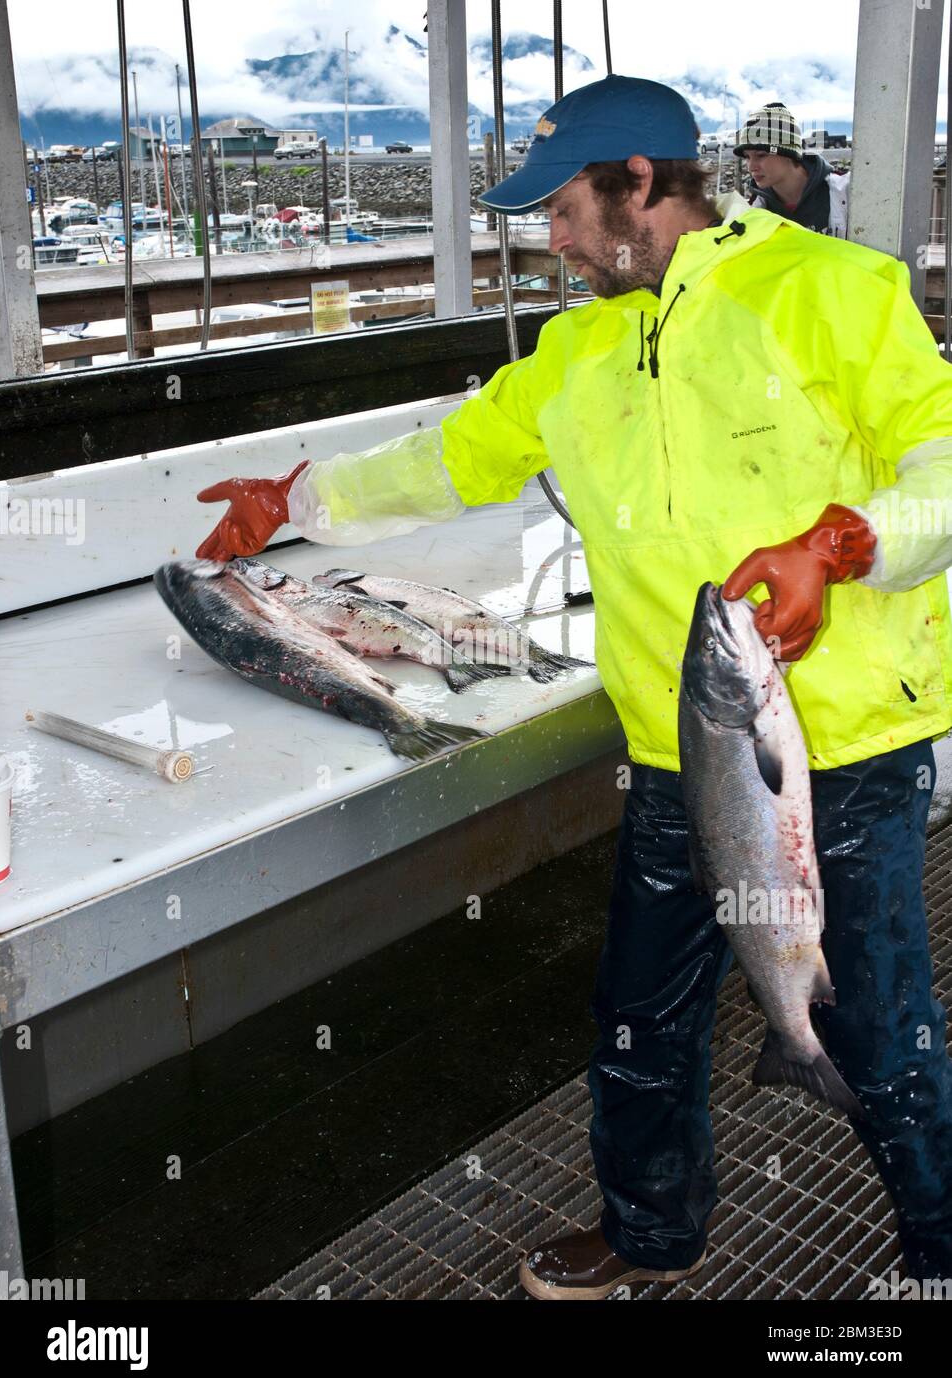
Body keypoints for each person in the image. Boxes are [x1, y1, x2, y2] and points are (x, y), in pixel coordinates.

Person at [195, 74, 952, 1299]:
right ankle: (650, 1230)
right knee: (638, 1021)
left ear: (643, 186)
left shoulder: (832, 290)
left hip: (849, 746)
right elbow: (450, 458)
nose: (545, 238)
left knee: (872, 1029)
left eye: (560, 209)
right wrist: (295, 502)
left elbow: (943, 456)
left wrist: (842, 543)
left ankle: (937, 1254)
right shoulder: (574, 348)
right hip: (675, 748)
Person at [735, 102, 850, 237]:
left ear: (788, 153)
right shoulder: (755, 206)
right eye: (747, 157)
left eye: (761, 155)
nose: (751, 167)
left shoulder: (846, 192)